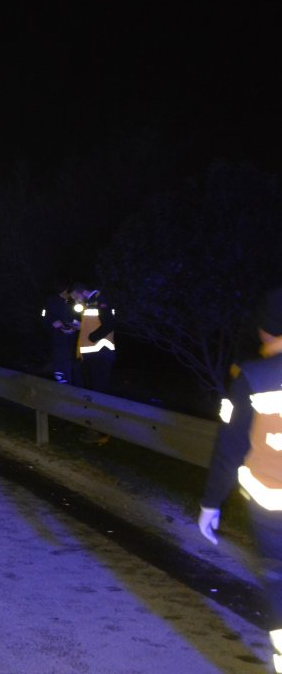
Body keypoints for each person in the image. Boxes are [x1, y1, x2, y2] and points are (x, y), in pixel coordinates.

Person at [198, 286, 282, 672]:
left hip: (272, 509)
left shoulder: (252, 376)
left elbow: (229, 447)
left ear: (265, 330)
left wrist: (211, 502)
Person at [70, 282, 117, 394]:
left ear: (81, 292)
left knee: (98, 391)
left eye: (76, 297)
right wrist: (80, 327)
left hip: (100, 353)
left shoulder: (101, 300)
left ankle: (100, 411)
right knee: (91, 391)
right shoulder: (89, 303)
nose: (76, 301)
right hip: (91, 354)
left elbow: (109, 324)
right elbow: (96, 323)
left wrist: (92, 337)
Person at [42, 280, 79, 385]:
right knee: (59, 364)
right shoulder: (52, 301)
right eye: (69, 291)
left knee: (67, 364)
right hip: (58, 339)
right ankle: (60, 383)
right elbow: (46, 319)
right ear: (65, 290)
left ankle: (67, 384)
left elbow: (74, 319)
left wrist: (73, 326)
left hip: (70, 340)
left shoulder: (71, 303)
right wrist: (53, 323)